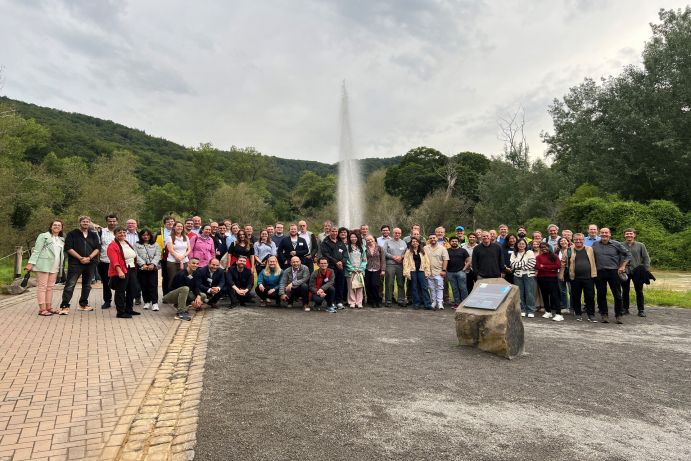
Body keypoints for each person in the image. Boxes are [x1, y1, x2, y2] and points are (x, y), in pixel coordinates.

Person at [59, 216, 100, 314]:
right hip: (75, 263)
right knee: (70, 284)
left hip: (90, 263)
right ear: (79, 223)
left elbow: (98, 248)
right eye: (83, 221)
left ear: (90, 223)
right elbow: (68, 248)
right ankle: (65, 306)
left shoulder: (93, 234)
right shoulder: (72, 234)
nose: (85, 223)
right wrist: (80, 258)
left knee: (87, 285)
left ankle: (83, 304)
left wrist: (89, 257)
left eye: (87, 222)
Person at [592, 228, 631, 324]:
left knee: (617, 294)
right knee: (601, 294)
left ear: (610, 234)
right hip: (599, 272)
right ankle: (604, 314)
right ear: (599, 234)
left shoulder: (616, 244)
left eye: (606, 233)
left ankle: (619, 315)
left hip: (613, 272)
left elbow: (628, 255)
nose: (604, 234)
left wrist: (623, 266)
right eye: (602, 233)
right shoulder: (595, 244)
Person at [26, 220, 65, 316]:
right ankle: (42, 309)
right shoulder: (43, 236)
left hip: (55, 266)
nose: (56, 226)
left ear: (61, 228)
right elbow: (36, 250)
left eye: (59, 225)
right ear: (51, 226)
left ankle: (49, 307)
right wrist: (30, 263)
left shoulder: (61, 239)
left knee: (50, 287)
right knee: (42, 287)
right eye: (54, 225)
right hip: (43, 265)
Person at [107, 226, 140, 319]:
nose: (122, 234)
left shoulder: (126, 243)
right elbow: (114, 260)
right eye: (119, 233)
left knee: (132, 289)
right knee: (120, 291)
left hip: (131, 268)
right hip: (122, 270)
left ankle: (129, 309)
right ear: (115, 234)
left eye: (124, 232)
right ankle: (120, 312)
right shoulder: (112, 245)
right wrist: (119, 271)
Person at [563, 233, 597, 322]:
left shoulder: (589, 249)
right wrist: (561, 274)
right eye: (576, 239)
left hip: (589, 277)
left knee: (590, 297)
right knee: (576, 297)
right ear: (573, 240)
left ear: (583, 240)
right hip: (574, 277)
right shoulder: (569, 250)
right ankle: (578, 313)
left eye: (580, 239)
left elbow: (595, 260)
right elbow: (563, 263)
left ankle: (591, 314)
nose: (578, 241)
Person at [622, 228, 651, 317]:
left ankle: (641, 310)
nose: (629, 235)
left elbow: (646, 258)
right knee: (625, 291)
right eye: (627, 234)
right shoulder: (620, 245)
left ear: (634, 235)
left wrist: (645, 270)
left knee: (639, 291)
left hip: (637, 271)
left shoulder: (640, 245)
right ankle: (625, 309)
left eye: (631, 234)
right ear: (624, 235)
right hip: (625, 271)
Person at [320, 226, 348, 308]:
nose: (334, 233)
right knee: (331, 284)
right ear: (329, 232)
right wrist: (336, 262)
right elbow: (326, 254)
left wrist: (341, 262)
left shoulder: (340, 242)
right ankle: (331, 301)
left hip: (341, 267)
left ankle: (339, 301)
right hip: (330, 267)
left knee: (340, 284)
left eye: (336, 231)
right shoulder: (325, 242)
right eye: (333, 231)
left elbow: (345, 254)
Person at [535, 242, 564, 322]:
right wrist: (550, 268)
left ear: (549, 247)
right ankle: (548, 311)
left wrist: (543, 266)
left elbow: (558, 266)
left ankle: (559, 314)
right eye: (542, 247)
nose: (544, 248)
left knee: (554, 295)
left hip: (552, 278)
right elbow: (537, 266)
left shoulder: (554, 256)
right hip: (541, 278)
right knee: (544, 295)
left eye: (545, 247)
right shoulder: (538, 257)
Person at [402, 237, 432, 310]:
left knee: (424, 287)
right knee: (414, 288)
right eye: (413, 241)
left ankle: (427, 304)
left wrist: (427, 271)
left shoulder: (423, 251)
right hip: (413, 271)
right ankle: (416, 303)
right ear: (411, 243)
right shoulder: (408, 251)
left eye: (416, 241)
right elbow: (405, 262)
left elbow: (427, 262)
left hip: (421, 271)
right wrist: (406, 272)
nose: (414, 242)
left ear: (419, 243)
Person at [135, 229, 161, 311]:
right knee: (144, 285)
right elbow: (136, 255)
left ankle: (155, 303)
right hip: (142, 267)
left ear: (150, 235)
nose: (146, 237)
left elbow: (158, 255)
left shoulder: (155, 244)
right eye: (144, 235)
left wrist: (153, 264)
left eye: (147, 235)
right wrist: (143, 264)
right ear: (141, 236)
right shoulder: (136, 244)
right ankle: (146, 301)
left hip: (152, 267)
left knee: (153, 285)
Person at [510, 238, 537, 317]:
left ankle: (531, 310)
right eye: (519, 244)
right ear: (517, 245)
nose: (521, 245)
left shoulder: (529, 252)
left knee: (529, 293)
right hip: (517, 275)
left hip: (529, 275)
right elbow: (512, 265)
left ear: (526, 245)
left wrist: (519, 265)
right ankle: (522, 309)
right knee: (520, 293)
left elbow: (532, 263)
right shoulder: (514, 253)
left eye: (523, 244)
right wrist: (525, 263)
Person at [425, 234, 449, 310]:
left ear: (436, 238)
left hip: (439, 271)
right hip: (429, 271)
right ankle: (434, 302)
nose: (432, 239)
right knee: (431, 288)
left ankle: (440, 303)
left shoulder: (442, 248)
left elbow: (445, 259)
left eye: (434, 238)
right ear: (429, 239)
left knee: (439, 287)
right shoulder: (425, 248)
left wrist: (444, 270)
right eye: (430, 238)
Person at [165, 221, 190, 291]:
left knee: (184, 279)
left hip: (185, 261)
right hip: (173, 262)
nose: (180, 228)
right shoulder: (170, 237)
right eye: (178, 226)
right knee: (173, 279)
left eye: (181, 226)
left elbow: (189, 249)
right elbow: (170, 250)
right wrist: (178, 258)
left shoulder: (186, 237)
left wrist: (183, 257)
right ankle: (172, 297)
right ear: (174, 227)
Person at [345, 231, 367, 308]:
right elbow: (346, 259)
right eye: (351, 237)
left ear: (358, 238)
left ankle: (359, 302)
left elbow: (364, 260)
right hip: (350, 271)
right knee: (350, 287)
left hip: (360, 270)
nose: (353, 238)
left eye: (355, 237)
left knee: (359, 286)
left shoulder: (362, 247)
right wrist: (351, 268)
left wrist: (361, 268)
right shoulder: (347, 247)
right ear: (349, 238)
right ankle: (352, 302)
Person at [446, 236, 470, 308]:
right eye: (452, 241)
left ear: (458, 242)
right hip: (450, 272)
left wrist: (465, 268)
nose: (454, 242)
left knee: (463, 288)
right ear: (450, 242)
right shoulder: (447, 251)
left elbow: (469, 260)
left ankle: (464, 303)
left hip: (461, 272)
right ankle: (457, 303)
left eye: (456, 241)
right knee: (454, 288)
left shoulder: (463, 250)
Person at [155, 216, 175, 295]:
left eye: (172, 221)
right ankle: (166, 295)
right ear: (164, 224)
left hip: (176, 257)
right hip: (165, 258)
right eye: (168, 222)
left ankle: (174, 295)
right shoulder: (160, 232)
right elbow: (155, 245)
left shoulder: (178, 231)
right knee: (166, 277)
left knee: (175, 277)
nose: (170, 223)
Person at [364, 234, 385, 307]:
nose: (369, 241)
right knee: (368, 285)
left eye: (371, 239)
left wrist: (383, 270)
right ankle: (371, 301)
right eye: (368, 240)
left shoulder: (379, 248)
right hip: (367, 268)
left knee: (375, 285)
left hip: (377, 269)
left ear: (374, 239)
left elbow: (383, 259)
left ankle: (377, 300)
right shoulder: (364, 248)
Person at [556, 237, 571, 311]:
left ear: (568, 242)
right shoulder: (557, 251)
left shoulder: (571, 250)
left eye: (565, 240)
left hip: (570, 271)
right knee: (562, 290)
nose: (563, 242)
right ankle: (565, 306)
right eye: (561, 241)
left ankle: (573, 306)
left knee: (571, 290)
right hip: (560, 272)